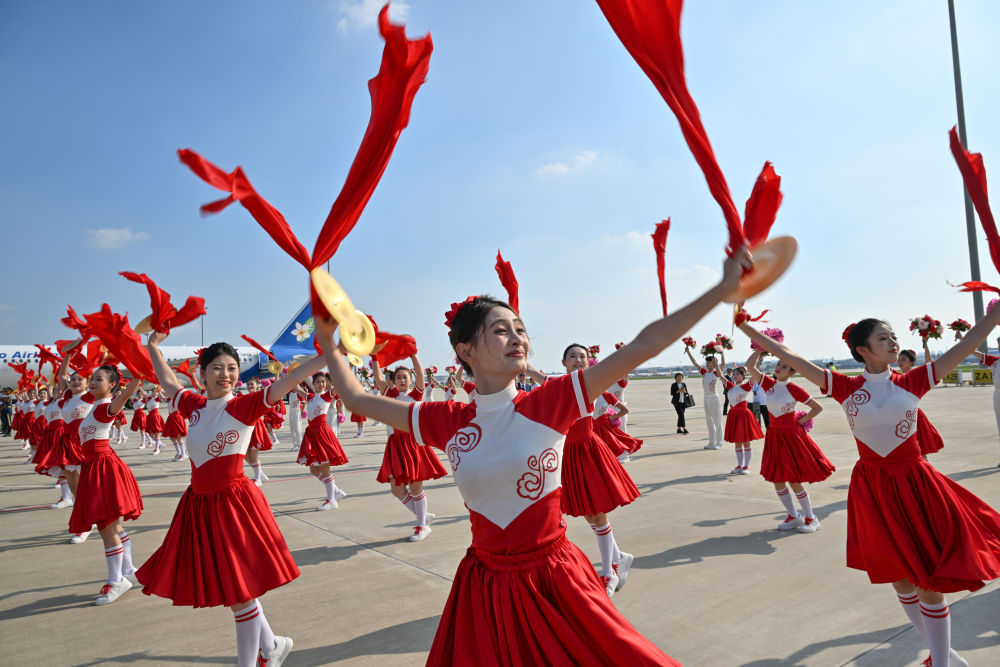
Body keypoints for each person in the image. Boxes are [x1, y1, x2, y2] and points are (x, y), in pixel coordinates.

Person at [316, 248, 752, 665]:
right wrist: (328, 338)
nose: (518, 337)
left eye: (520, 329)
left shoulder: (552, 401)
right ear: (466, 352)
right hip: (484, 587)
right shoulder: (446, 420)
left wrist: (721, 289)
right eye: (500, 329)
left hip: (555, 580)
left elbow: (646, 344)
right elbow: (356, 398)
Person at [739, 313, 1000, 667]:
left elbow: (968, 344)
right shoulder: (843, 387)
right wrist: (746, 326)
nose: (893, 342)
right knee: (901, 579)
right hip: (874, 488)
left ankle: (940, 663)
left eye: (893, 337)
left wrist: (995, 313)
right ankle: (945, 656)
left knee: (927, 581)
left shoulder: (914, 380)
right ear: (862, 349)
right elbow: (791, 355)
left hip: (916, 485)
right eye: (883, 338)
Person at [138, 335, 326, 667]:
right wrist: (152, 346)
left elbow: (290, 379)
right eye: (217, 368)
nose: (225, 375)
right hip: (199, 506)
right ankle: (272, 645)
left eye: (232, 368)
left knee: (239, 594)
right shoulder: (193, 405)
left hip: (233, 506)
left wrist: (329, 356)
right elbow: (167, 381)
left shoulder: (243, 406)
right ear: (202, 373)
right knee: (235, 588)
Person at [67, 366, 144, 604]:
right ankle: (128, 570)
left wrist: (138, 373)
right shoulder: (95, 406)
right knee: (113, 527)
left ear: (111, 385)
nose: (92, 382)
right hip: (95, 468)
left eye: (98, 379)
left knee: (106, 529)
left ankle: (116, 580)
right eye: (92, 378)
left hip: (104, 469)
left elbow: (125, 395)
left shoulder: (105, 407)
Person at [745, 353, 832, 533]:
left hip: (791, 436)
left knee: (794, 479)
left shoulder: (794, 389)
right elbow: (749, 366)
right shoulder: (768, 383)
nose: (779, 368)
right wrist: (759, 349)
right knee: (777, 479)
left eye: (784, 366)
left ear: (792, 372)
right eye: (778, 364)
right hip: (774, 436)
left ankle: (811, 518)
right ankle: (793, 516)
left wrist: (802, 420)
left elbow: (818, 407)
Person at [372, 357, 447, 541]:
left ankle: (422, 525)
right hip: (396, 444)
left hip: (413, 442)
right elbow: (378, 379)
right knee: (397, 489)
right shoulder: (391, 395)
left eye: (405, 377)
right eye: (398, 377)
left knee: (415, 486)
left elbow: (420, 375)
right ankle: (424, 515)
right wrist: (374, 357)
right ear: (394, 380)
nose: (402, 380)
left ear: (410, 379)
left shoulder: (415, 395)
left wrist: (413, 355)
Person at [294, 372, 349, 509]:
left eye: (323, 382)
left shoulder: (327, 395)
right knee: (314, 469)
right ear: (313, 384)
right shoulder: (310, 397)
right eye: (318, 382)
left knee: (325, 467)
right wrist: (293, 374)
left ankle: (332, 500)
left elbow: (338, 385)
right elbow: (296, 388)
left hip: (322, 433)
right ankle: (336, 491)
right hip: (311, 434)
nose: (321, 384)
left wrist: (343, 370)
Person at [898, 346, 944, 459]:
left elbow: (929, 365)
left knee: (920, 447)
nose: (900, 362)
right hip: (898, 416)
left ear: (912, 362)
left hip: (913, 415)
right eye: (899, 360)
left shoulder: (915, 376)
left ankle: (924, 465)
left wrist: (925, 343)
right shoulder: (895, 377)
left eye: (903, 360)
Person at [721, 360, 765, 475]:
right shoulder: (730, 386)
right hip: (733, 415)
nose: (735, 376)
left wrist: (758, 361)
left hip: (743, 415)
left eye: (737, 374)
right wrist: (717, 363)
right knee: (737, 442)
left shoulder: (746, 386)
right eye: (733, 374)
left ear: (743, 376)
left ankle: (747, 466)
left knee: (746, 441)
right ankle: (740, 465)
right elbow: (720, 375)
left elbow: (755, 374)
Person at [685, 345, 725, 449]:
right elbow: (695, 363)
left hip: (714, 397)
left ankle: (719, 442)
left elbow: (723, 365)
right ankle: (711, 442)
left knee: (717, 420)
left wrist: (722, 353)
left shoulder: (716, 373)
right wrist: (688, 352)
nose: (707, 364)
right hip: (706, 398)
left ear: (713, 363)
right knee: (709, 421)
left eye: (709, 362)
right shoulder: (704, 372)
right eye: (706, 362)